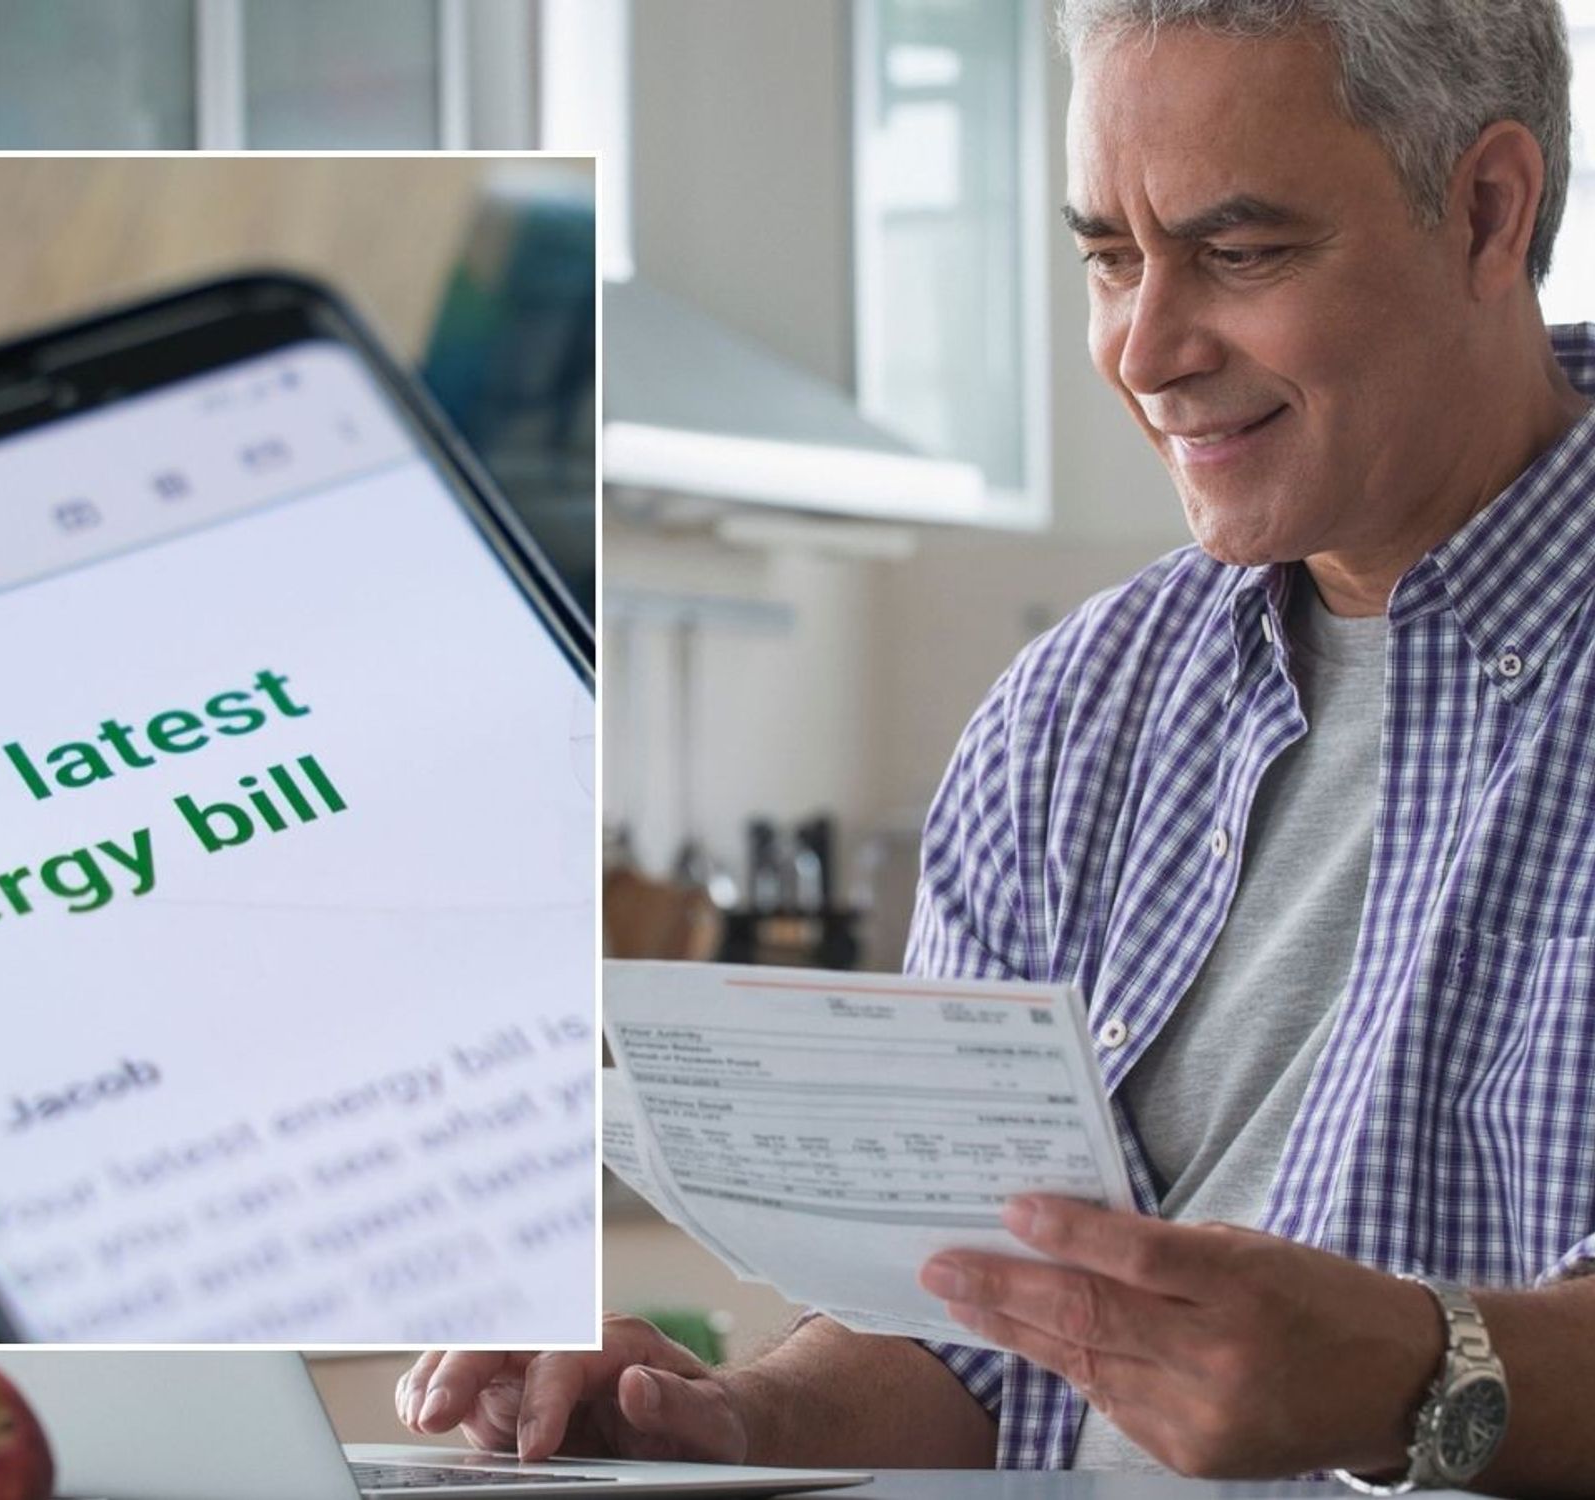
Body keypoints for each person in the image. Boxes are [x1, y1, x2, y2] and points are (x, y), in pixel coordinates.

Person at [403, 0, 1595, 1493]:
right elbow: (970, 1337)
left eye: (1240, 253)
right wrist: (722, 1431)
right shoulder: (1071, 716)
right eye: (1108, 257)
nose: (1145, 348)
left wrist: (1424, 1371)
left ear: (1490, 211)